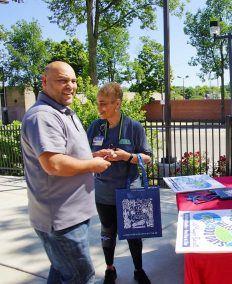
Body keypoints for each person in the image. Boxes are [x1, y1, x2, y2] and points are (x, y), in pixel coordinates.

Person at [20, 61, 111, 284]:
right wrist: (93, 166)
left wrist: (91, 157)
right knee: (81, 277)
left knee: (62, 272)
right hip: (61, 221)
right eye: (62, 80)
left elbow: (65, 154)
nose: (70, 85)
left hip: (70, 216)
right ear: (45, 82)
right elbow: (54, 164)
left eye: (73, 80)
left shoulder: (61, 111)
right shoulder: (43, 116)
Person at [87, 82, 153, 284]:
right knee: (107, 232)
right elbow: (83, 156)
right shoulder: (95, 126)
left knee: (134, 234)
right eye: (98, 103)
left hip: (129, 191)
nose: (99, 108)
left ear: (117, 103)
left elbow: (148, 158)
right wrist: (96, 155)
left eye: (104, 104)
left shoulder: (134, 127)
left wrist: (127, 156)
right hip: (103, 192)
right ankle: (109, 269)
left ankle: (138, 270)